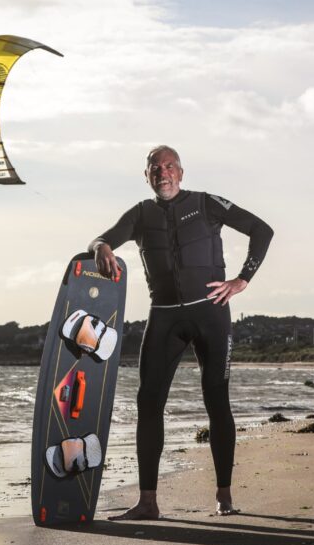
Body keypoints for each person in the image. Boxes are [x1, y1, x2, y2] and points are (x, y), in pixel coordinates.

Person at [90, 145, 273, 520]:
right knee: (148, 403)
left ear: (181, 172)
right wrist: (101, 247)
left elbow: (262, 230)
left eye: (169, 166)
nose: (163, 172)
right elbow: (100, 239)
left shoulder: (207, 203)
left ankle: (224, 493)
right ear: (147, 176)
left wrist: (242, 280)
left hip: (212, 314)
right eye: (155, 168)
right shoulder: (140, 214)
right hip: (165, 317)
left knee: (216, 399)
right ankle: (147, 501)